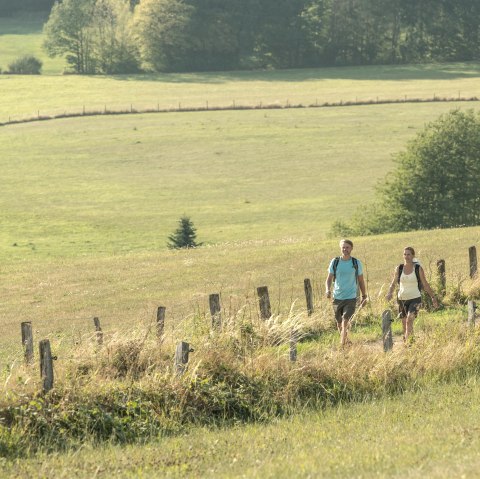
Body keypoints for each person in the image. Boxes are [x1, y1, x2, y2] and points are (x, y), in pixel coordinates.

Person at [386, 246, 438, 344]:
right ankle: (410, 342)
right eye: (405, 254)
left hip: (415, 299)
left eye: (408, 254)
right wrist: (390, 293)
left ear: (413, 256)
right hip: (401, 299)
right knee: (404, 323)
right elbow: (393, 283)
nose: (406, 256)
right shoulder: (399, 268)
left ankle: (408, 345)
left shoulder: (418, 268)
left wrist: (433, 297)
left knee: (409, 320)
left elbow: (425, 284)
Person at [325, 239, 367, 347]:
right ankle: (347, 341)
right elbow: (329, 278)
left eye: (347, 247)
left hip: (351, 297)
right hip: (337, 297)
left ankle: (342, 345)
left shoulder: (356, 263)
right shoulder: (335, 262)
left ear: (351, 248)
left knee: (345, 320)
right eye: (343, 247)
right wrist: (327, 289)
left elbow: (361, 280)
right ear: (340, 248)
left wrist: (364, 295)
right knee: (339, 323)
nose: (345, 249)